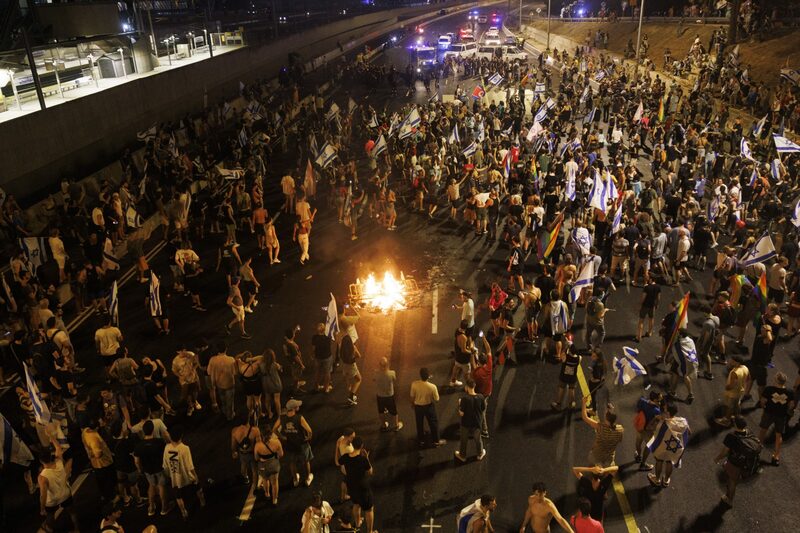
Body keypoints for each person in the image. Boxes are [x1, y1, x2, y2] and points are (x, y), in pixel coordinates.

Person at [715, 416, 762, 507]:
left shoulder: (731, 436)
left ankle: (729, 499)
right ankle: (730, 492)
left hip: (735, 463)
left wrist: (717, 458)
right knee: (733, 479)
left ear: (735, 425)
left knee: (732, 481)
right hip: (745, 462)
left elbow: (725, 452)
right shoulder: (749, 432)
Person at [162, 425, 205, 519]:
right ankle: (202, 502)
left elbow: (165, 466)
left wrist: (170, 475)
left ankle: (183, 511)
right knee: (198, 488)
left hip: (175, 479)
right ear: (181, 436)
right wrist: (195, 476)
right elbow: (190, 466)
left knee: (178, 496)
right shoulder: (185, 448)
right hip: (187, 477)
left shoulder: (167, 448)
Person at [38, 443, 80, 533]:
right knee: (72, 512)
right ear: (50, 456)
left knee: (50, 516)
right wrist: (52, 438)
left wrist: (42, 509)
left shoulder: (42, 476)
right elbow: (58, 448)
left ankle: (49, 529)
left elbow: (43, 495)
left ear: (41, 461)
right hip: (65, 493)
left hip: (52, 500)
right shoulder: (59, 462)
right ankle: (77, 529)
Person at [133, 420, 172, 517]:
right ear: (153, 429)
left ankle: (151, 508)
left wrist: (140, 470)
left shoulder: (139, 446)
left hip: (147, 470)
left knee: (151, 486)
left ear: (143, 431)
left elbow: (137, 461)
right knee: (161, 487)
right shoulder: (159, 442)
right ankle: (164, 508)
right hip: (159, 469)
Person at [646, 403, 690, 488]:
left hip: (662, 446)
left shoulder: (663, 423)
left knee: (659, 461)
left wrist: (655, 418)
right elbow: (688, 432)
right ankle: (666, 481)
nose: (663, 411)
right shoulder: (683, 421)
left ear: (668, 413)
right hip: (674, 447)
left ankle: (657, 479)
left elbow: (649, 428)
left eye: (665, 410)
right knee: (670, 461)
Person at [273, 399, 314, 487]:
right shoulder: (299, 418)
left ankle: (295, 480)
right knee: (306, 461)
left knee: (292, 462)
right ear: (294, 408)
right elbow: (309, 430)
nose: (299, 406)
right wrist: (309, 437)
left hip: (289, 444)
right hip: (302, 444)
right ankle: (307, 478)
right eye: (297, 406)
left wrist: (282, 437)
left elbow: (274, 429)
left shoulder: (282, 418)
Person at [339, 436, 375, 533]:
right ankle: (370, 531)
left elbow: (338, 462)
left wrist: (337, 448)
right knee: (369, 509)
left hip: (351, 487)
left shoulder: (345, 457)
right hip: (363, 489)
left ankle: (358, 523)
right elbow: (370, 472)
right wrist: (367, 458)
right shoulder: (362, 459)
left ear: (352, 445)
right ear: (362, 446)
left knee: (356, 504)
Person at [758, 372, 795, 466]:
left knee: (763, 431)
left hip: (768, 413)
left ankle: (757, 447)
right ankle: (776, 456)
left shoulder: (769, 389)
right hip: (781, 416)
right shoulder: (790, 392)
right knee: (778, 436)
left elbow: (763, 401)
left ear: (777, 380)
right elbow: (791, 406)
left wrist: (764, 408)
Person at [82, 417, 116, 502]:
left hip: (95, 464)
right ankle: (110, 497)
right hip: (103, 463)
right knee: (108, 481)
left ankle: (105, 495)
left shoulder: (85, 431)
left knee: (101, 482)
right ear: (96, 427)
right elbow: (98, 454)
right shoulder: (94, 438)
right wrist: (93, 454)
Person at [581, 399, 623, 467]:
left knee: (593, 469)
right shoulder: (620, 429)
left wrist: (583, 403)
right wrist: (611, 410)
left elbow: (585, 417)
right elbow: (619, 440)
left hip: (597, 455)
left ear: (606, 418)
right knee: (605, 471)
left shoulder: (601, 427)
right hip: (609, 457)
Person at [410, 367, 446, 448]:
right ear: (428, 376)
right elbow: (437, 399)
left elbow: (412, 396)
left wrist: (412, 404)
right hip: (428, 406)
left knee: (419, 423)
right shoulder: (432, 387)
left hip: (418, 407)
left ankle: (421, 440)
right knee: (433, 423)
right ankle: (436, 441)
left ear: (420, 375)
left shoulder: (414, 384)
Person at [455, 377, 486, 462]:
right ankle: (480, 454)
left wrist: (459, 404)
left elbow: (461, 413)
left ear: (467, 387)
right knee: (478, 439)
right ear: (474, 386)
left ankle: (462, 456)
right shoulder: (481, 397)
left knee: (464, 440)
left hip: (466, 423)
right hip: (477, 422)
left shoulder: (464, 399)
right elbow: (483, 408)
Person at [715, 356, 749, 427]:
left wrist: (727, 387)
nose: (730, 362)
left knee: (730, 407)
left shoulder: (735, 372)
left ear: (737, 362)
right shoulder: (745, 368)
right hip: (740, 390)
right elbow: (749, 378)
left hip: (733, 392)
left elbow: (731, 385)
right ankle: (737, 417)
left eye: (732, 361)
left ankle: (726, 420)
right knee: (736, 404)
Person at [207, 341, 237, 420]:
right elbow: (235, 372)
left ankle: (224, 409)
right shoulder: (231, 360)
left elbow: (209, 372)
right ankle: (229, 415)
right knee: (230, 401)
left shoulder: (212, 360)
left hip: (219, 384)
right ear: (226, 349)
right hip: (229, 384)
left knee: (222, 398)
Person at [634, 391, 663, 471]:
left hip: (640, 427)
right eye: (658, 400)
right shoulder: (656, 411)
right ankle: (643, 464)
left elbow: (638, 409)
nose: (660, 403)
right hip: (648, 432)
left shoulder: (642, 401)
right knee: (648, 446)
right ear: (654, 399)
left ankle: (638, 456)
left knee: (638, 442)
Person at [231, 413, 261, 485]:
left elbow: (233, 445)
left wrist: (234, 452)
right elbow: (258, 444)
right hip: (252, 453)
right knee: (254, 470)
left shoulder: (235, 431)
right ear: (248, 420)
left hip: (242, 453)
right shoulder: (255, 430)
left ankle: (245, 478)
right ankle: (255, 485)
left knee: (243, 465)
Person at [254, 428, 283, 504]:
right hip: (273, 464)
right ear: (270, 435)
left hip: (263, 465)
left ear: (261, 435)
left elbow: (256, 458)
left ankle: (267, 494)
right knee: (274, 482)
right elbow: (281, 454)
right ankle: (274, 500)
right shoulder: (277, 442)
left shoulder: (257, 445)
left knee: (265, 479)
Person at [375, 357, 403, 432]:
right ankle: (396, 425)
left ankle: (383, 425)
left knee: (381, 411)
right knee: (394, 411)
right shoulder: (392, 373)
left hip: (380, 395)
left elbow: (374, 380)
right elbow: (394, 379)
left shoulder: (376, 373)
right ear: (387, 365)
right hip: (389, 395)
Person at [551, 343, 580, 411]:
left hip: (564, 376)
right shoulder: (579, 358)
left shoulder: (565, 356)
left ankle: (558, 404)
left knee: (561, 389)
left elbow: (561, 357)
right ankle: (571, 404)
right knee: (571, 389)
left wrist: (565, 348)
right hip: (572, 377)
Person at [635, 278, 661, 343]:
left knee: (641, 321)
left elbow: (643, 298)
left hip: (645, 306)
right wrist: (657, 304)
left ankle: (639, 337)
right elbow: (658, 298)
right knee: (651, 319)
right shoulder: (658, 287)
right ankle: (649, 332)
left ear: (651, 279)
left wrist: (640, 305)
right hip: (652, 306)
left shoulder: (647, 287)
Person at [340, 331, 362, 405]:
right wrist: (354, 351)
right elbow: (359, 356)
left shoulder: (341, 348)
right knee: (359, 379)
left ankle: (348, 385)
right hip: (352, 365)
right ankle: (351, 396)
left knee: (347, 375)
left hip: (345, 365)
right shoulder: (353, 348)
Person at [334, 428, 355, 503]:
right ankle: (345, 496)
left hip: (344, 467)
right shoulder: (348, 449)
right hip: (348, 468)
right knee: (349, 481)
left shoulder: (341, 439)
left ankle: (343, 496)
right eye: (352, 437)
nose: (353, 439)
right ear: (346, 436)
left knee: (345, 481)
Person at [311, 323, 333, 392]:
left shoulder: (314, 337)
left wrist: (312, 355)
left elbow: (313, 348)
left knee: (317, 372)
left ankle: (316, 387)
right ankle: (326, 388)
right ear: (324, 330)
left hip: (318, 357)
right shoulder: (328, 336)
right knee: (327, 373)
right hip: (327, 357)